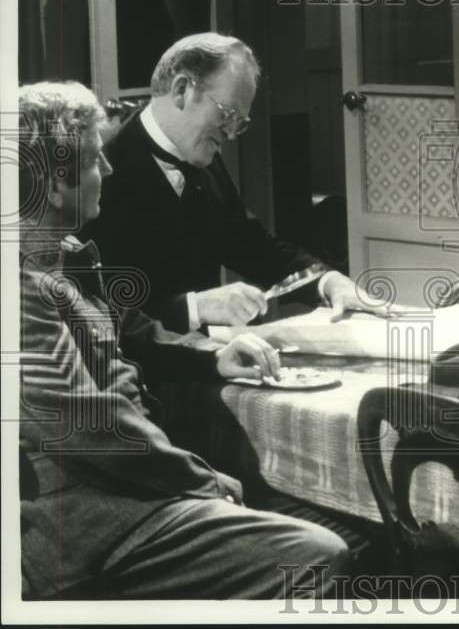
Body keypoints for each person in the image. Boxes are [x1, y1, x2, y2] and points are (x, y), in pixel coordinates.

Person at [18, 81, 349, 598]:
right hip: (85, 520)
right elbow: (91, 424)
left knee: (293, 507)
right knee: (313, 555)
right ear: (54, 185)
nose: (107, 170)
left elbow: (134, 330)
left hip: (132, 481)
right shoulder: (17, 289)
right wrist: (200, 481)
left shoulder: (71, 255)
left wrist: (216, 354)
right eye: (93, 161)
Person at [84, 32, 385, 333]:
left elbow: (251, 245)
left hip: (211, 358)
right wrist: (195, 307)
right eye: (227, 115)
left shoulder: (200, 154)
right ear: (182, 90)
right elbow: (96, 310)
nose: (229, 135)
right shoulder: (103, 171)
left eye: (239, 124)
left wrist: (329, 282)